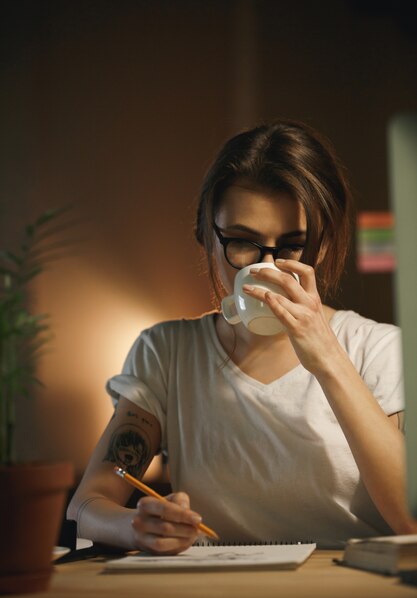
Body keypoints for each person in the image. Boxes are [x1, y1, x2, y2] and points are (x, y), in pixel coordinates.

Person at [67, 119, 416, 555]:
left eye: (292, 246)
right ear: (206, 235)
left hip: (345, 595)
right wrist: (136, 526)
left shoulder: (377, 349)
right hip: (219, 593)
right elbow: (90, 501)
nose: (267, 267)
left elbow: (410, 518)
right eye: (242, 242)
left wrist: (327, 357)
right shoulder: (169, 354)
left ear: (322, 247)